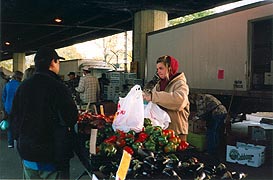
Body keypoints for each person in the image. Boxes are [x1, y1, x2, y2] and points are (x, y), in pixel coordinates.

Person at [10, 47, 78, 179]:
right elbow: (71, 118)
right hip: (52, 156)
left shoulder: (23, 86)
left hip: (27, 153)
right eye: (58, 62)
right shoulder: (58, 87)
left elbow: (15, 117)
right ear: (53, 62)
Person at [142, 55, 190, 142]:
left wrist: (153, 96)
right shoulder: (158, 85)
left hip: (176, 131)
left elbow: (180, 101)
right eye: (157, 69)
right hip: (162, 130)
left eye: (161, 68)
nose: (158, 71)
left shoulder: (180, 84)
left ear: (170, 68)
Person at [2, 70, 23, 148]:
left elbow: (4, 96)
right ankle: (16, 141)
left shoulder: (7, 85)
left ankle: (10, 143)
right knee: (18, 124)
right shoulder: (20, 85)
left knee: (10, 125)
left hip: (8, 107)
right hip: (17, 108)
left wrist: (5, 104)